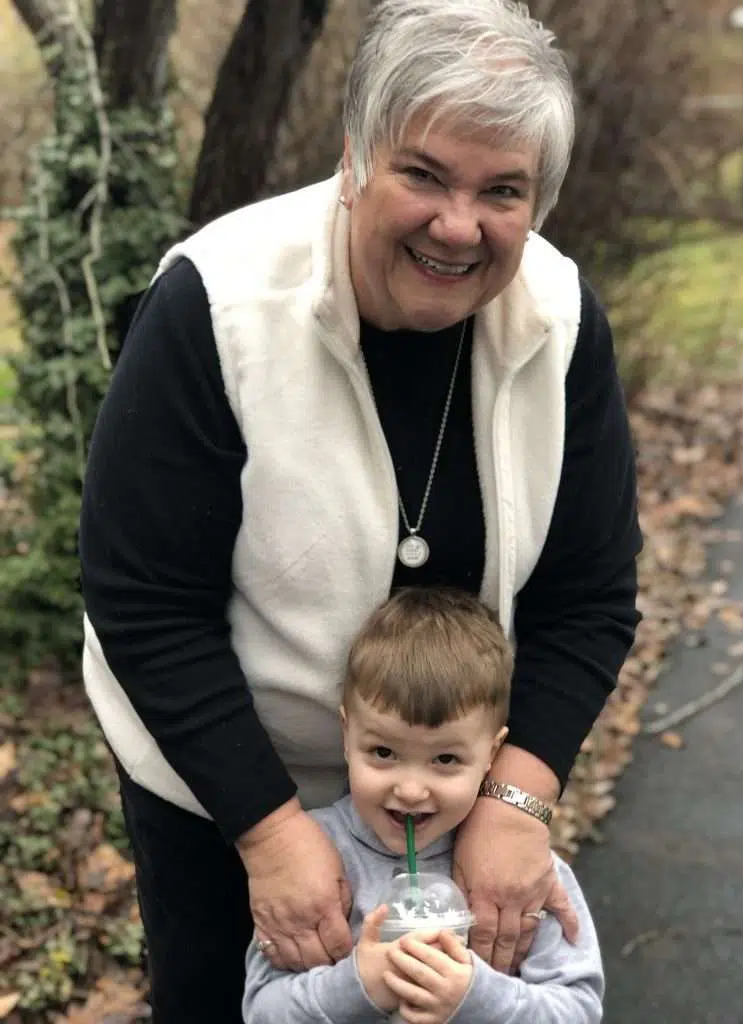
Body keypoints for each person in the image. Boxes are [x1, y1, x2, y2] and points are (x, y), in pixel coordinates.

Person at [79, 0, 641, 1020]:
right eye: (423, 173)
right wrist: (268, 830)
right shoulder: (216, 304)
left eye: (502, 190)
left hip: (450, 778)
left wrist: (514, 800)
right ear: (354, 157)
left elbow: (589, 594)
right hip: (223, 780)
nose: (459, 223)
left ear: (539, 202)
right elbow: (145, 601)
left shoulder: (560, 324)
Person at [242, 587, 605, 1024]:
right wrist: (359, 985)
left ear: (492, 753)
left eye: (446, 760)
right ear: (346, 734)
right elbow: (262, 1010)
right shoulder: (311, 861)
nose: (411, 790)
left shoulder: (521, 870)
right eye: (383, 753)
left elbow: (578, 1008)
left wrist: (474, 998)